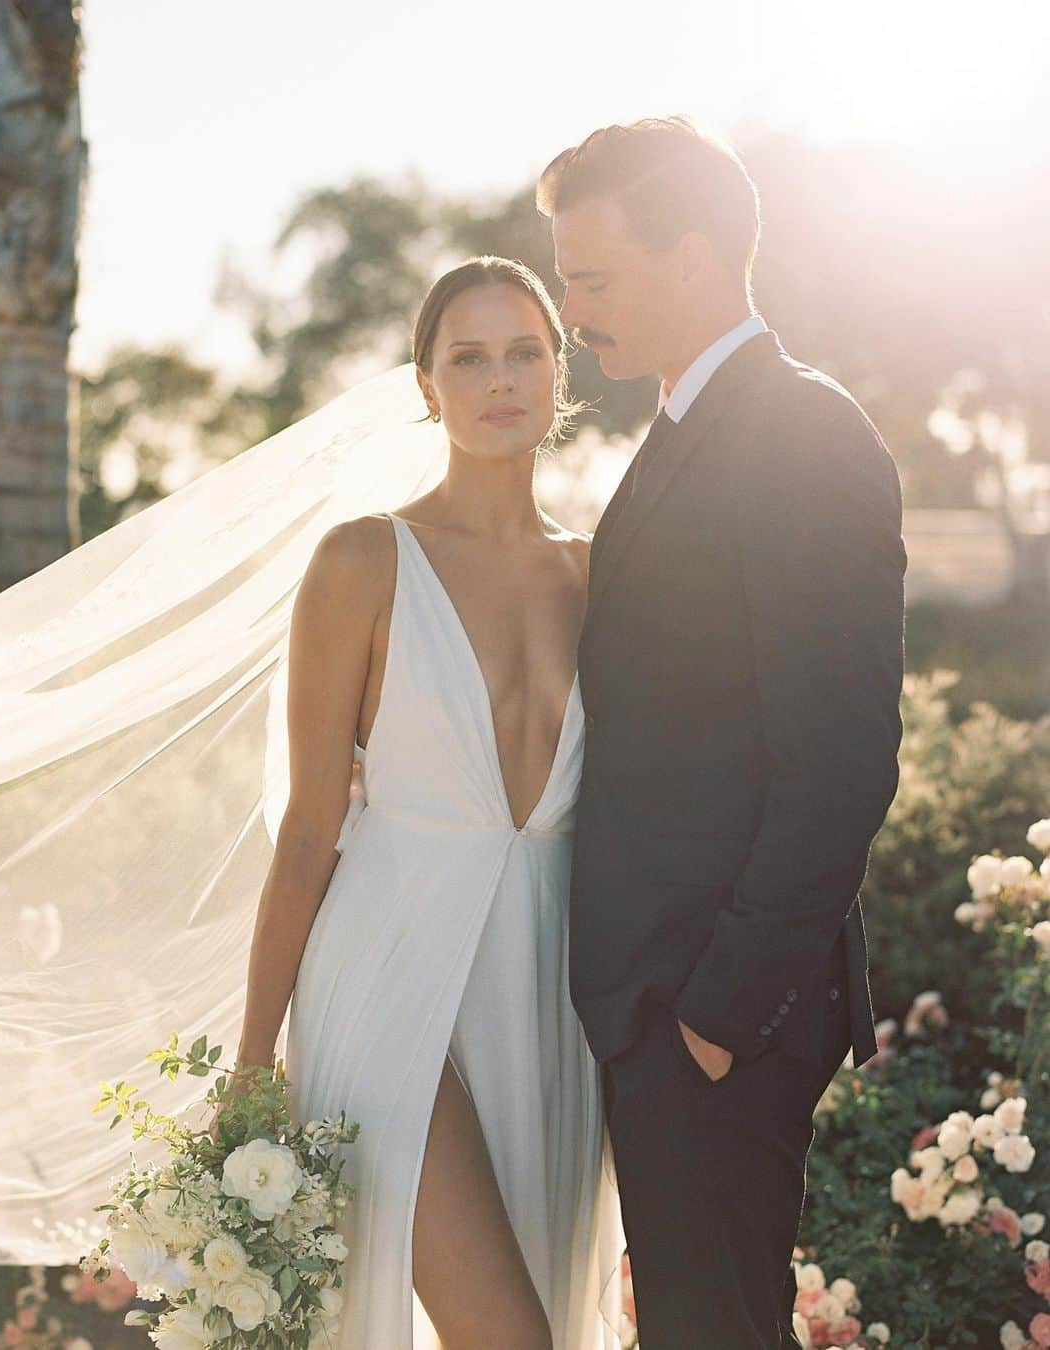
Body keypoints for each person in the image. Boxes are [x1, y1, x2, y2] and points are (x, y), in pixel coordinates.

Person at [536, 116, 907, 1347]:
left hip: (715, 1010)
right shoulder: (684, 427)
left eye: (593, 277)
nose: (572, 309)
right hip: (660, 1002)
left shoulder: (800, 432)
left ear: (692, 255)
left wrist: (716, 1016)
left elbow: (840, 759)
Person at [231, 256, 622, 1349]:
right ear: (426, 385)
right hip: (388, 982)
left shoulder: (604, 575)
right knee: (512, 1337)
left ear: (559, 373)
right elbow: (311, 826)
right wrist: (255, 1056)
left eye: (524, 353)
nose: (500, 380)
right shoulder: (363, 560)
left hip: (543, 997)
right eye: (469, 358)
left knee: (537, 1313)